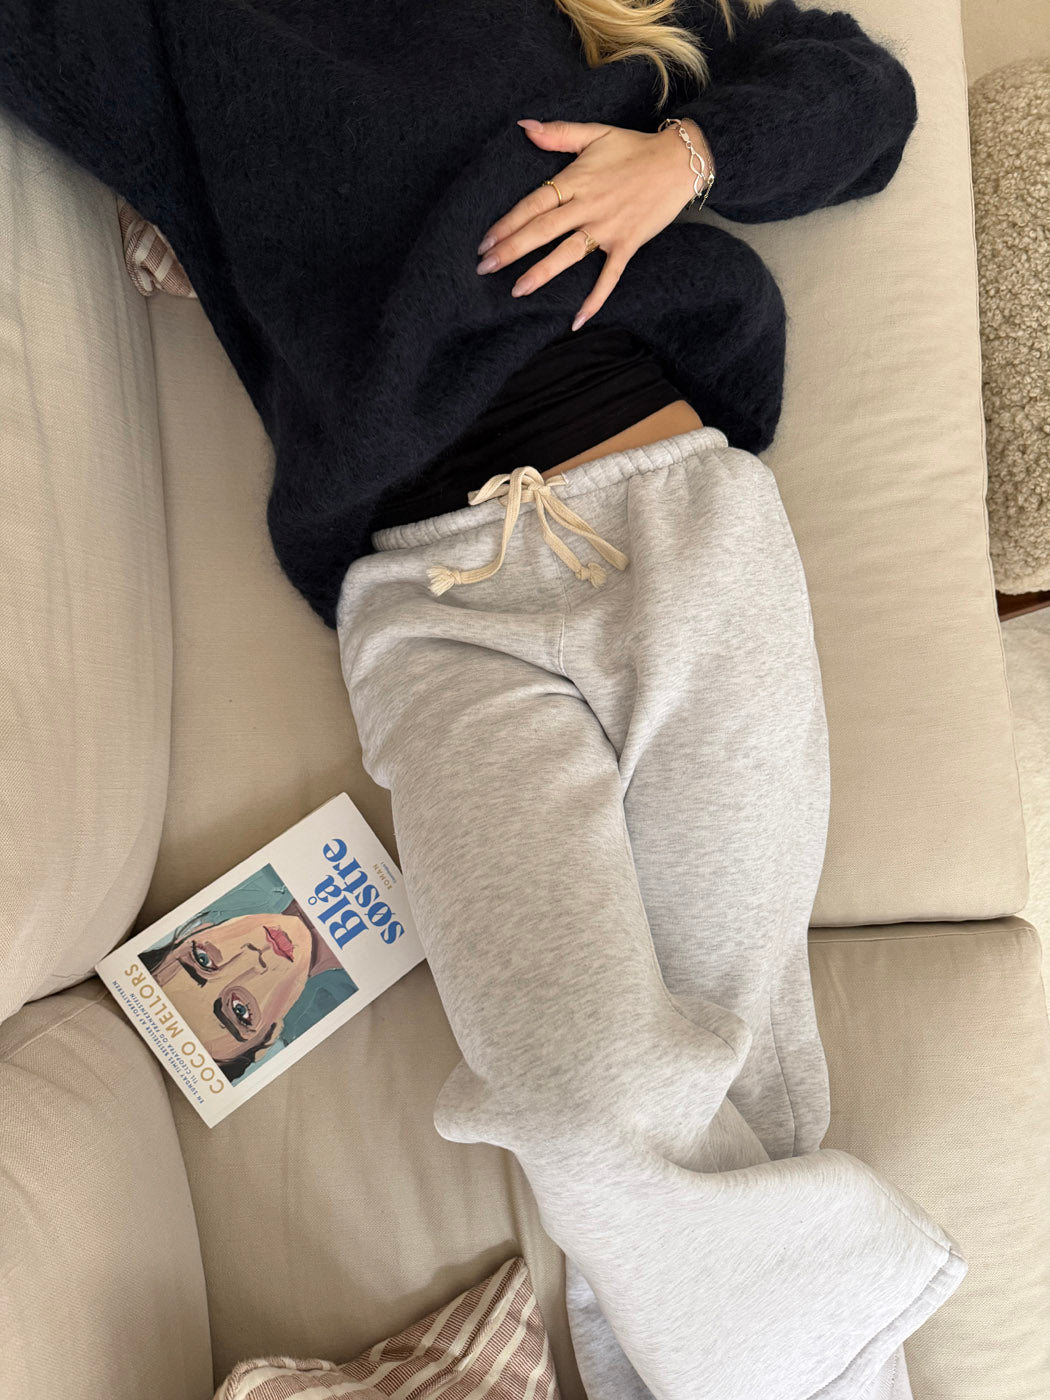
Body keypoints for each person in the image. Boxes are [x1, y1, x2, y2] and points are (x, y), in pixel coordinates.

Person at [0, 3, 966, 1396]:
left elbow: (860, 95)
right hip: (435, 608)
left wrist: (686, 157)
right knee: (576, 1098)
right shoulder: (197, 32)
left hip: (680, 533)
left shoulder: (602, 19)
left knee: (742, 1077)